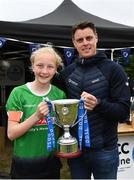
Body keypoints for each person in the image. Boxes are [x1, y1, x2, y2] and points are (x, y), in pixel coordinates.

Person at [53, 21, 131, 179]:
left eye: (89, 38)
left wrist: (98, 104)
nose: (85, 43)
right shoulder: (67, 73)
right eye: (80, 40)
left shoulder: (114, 70)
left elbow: (123, 112)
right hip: (76, 150)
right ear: (74, 43)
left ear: (96, 38)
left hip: (105, 150)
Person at [6, 47, 66, 179]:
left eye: (50, 67)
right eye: (40, 65)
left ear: (56, 69)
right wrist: (36, 116)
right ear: (32, 66)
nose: (44, 71)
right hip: (24, 166)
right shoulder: (18, 93)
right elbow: (11, 134)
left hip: (51, 164)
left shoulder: (59, 94)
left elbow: (62, 127)